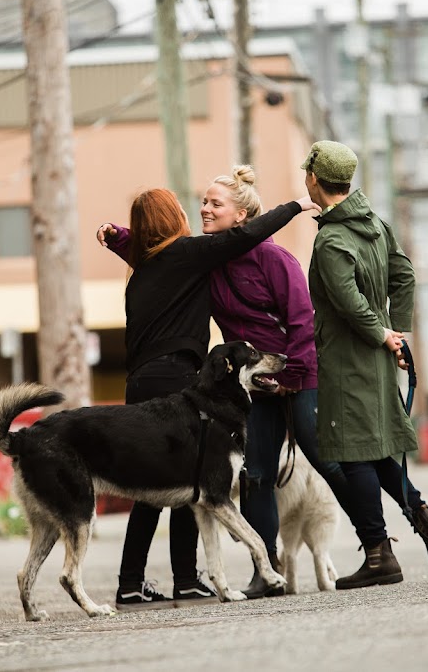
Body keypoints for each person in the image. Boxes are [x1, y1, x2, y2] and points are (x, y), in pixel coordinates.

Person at [201, 165, 428, 596]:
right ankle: (267, 572)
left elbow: (302, 322)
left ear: (242, 215)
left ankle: (393, 540)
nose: (205, 209)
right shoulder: (208, 264)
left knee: (337, 461)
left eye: (214, 203)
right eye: (203, 202)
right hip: (259, 385)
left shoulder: (275, 259)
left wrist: (296, 376)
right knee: (257, 475)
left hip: (302, 374)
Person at [96, 186, 319, 610]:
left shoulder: (145, 267)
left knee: (149, 489)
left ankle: (130, 583)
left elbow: (141, 242)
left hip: (138, 382)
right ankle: (184, 579)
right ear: (171, 221)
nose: (193, 212)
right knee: (192, 480)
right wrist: (295, 206)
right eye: (182, 208)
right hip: (176, 378)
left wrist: (115, 236)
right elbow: (245, 236)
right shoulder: (185, 254)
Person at [302, 140, 428, 589]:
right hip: (377, 356)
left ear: (315, 178)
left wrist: (380, 332)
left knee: (353, 454)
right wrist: (396, 331)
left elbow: (348, 301)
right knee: (374, 449)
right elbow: (404, 274)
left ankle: (378, 556)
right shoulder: (374, 223)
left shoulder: (332, 238)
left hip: (348, 358)